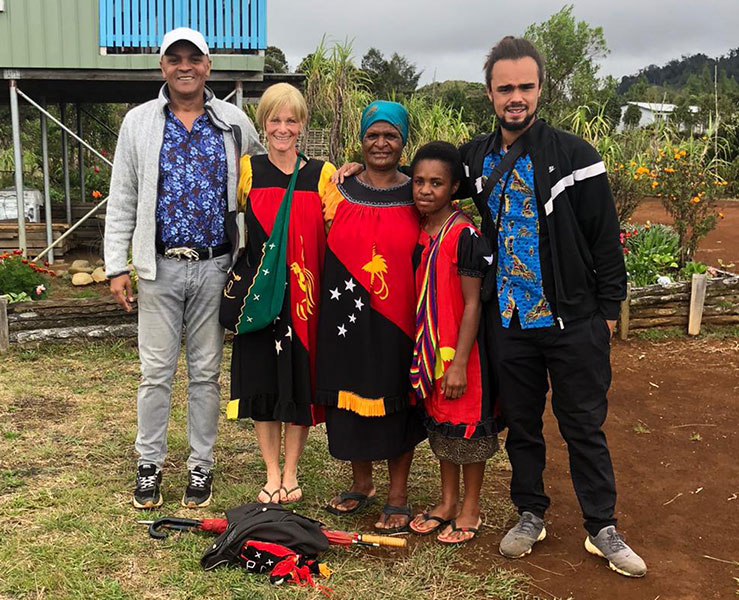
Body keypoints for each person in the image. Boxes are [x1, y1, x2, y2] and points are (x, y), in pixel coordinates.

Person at [457, 36, 646, 576]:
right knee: (522, 423)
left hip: (572, 320)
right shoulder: (474, 158)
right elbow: (428, 177)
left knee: (583, 424)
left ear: (540, 88)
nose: (515, 96)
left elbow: (605, 238)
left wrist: (607, 312)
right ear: (489, 93)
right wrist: (357, 167)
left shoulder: (576, 157)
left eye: (525, 86)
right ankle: (529, 512)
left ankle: (601, 526)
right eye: (505, 87)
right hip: (510, 321)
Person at [104, 27, 264, 509]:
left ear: (208, 66)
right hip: (159, 267)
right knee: (155, 372)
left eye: (194, 58)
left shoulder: (234, 122)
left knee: (205, 373)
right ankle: (149, 465)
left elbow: (265, 178)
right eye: (174, 59)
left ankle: (201, 467)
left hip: (216, 266)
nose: (185, 66)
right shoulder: (140, 122)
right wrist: (117, 266)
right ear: (162, 68)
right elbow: (124, 197)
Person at [225, 83, 338, 505]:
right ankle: (271, 472)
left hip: (304, 301)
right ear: (263, 123)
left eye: (292, 120)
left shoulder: (322, 175)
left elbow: (338, 227)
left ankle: (291, 472)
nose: (283, 127)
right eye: (275, 119)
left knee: (298, 385)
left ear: (303, 124)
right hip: (261, 296)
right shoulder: (248, 171)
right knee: (263, 386)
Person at [316, 101, 425, 533]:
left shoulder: (418, 192)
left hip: (400, 318)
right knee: (350, 398)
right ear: (361, 140)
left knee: (397, 402)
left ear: (403, 141)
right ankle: (362, 483)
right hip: (347, 315)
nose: (381, 144)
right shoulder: (337, 190)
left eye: (391, 136)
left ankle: (397, 495)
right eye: (373, 136)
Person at [407, 142, 499, 544]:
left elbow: (473, 303)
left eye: (437, 183)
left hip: (463, 355)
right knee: (443, 428)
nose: (426, 190)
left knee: (468, 433)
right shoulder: (421, 228)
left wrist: (460, 363)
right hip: (432, 350)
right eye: (419, 182)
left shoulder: (464, 235)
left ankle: (470, 508)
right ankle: (446, 503)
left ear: (454, 187)